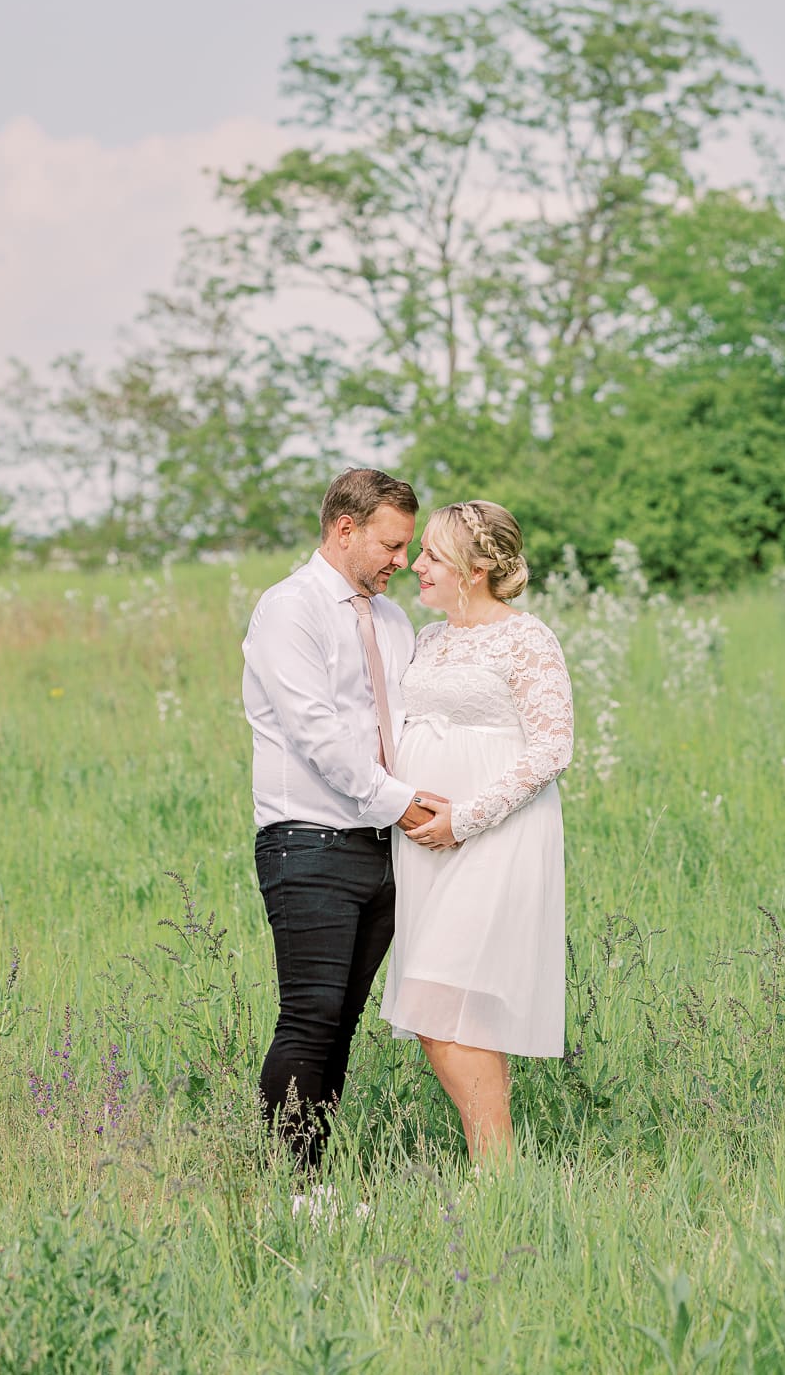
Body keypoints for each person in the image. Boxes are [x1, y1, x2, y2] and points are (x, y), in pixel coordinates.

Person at [242, 468, 448, 1168]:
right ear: (345, 529)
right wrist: (407, 802)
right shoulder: (288, 609)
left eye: (408, 546)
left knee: (341, 1026)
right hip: (309, 841)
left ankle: (314, 1177)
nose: (403, 560)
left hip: (385, 847)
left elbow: (414, 723)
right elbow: (316, 734)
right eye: (392, 544)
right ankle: (292, 1186)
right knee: (309, 1017)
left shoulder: (391, 620)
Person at [380, 500, 573, 1165]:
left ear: (479, 566)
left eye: (432, 553)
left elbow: (552, 747)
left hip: (496, 836)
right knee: (448, 1008)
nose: (417, 564)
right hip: (424, 846)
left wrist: (465, 818)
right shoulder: (428, 639)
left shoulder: (527, 638)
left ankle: (499, 1167)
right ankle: (496, 1172)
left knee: (437, 999)